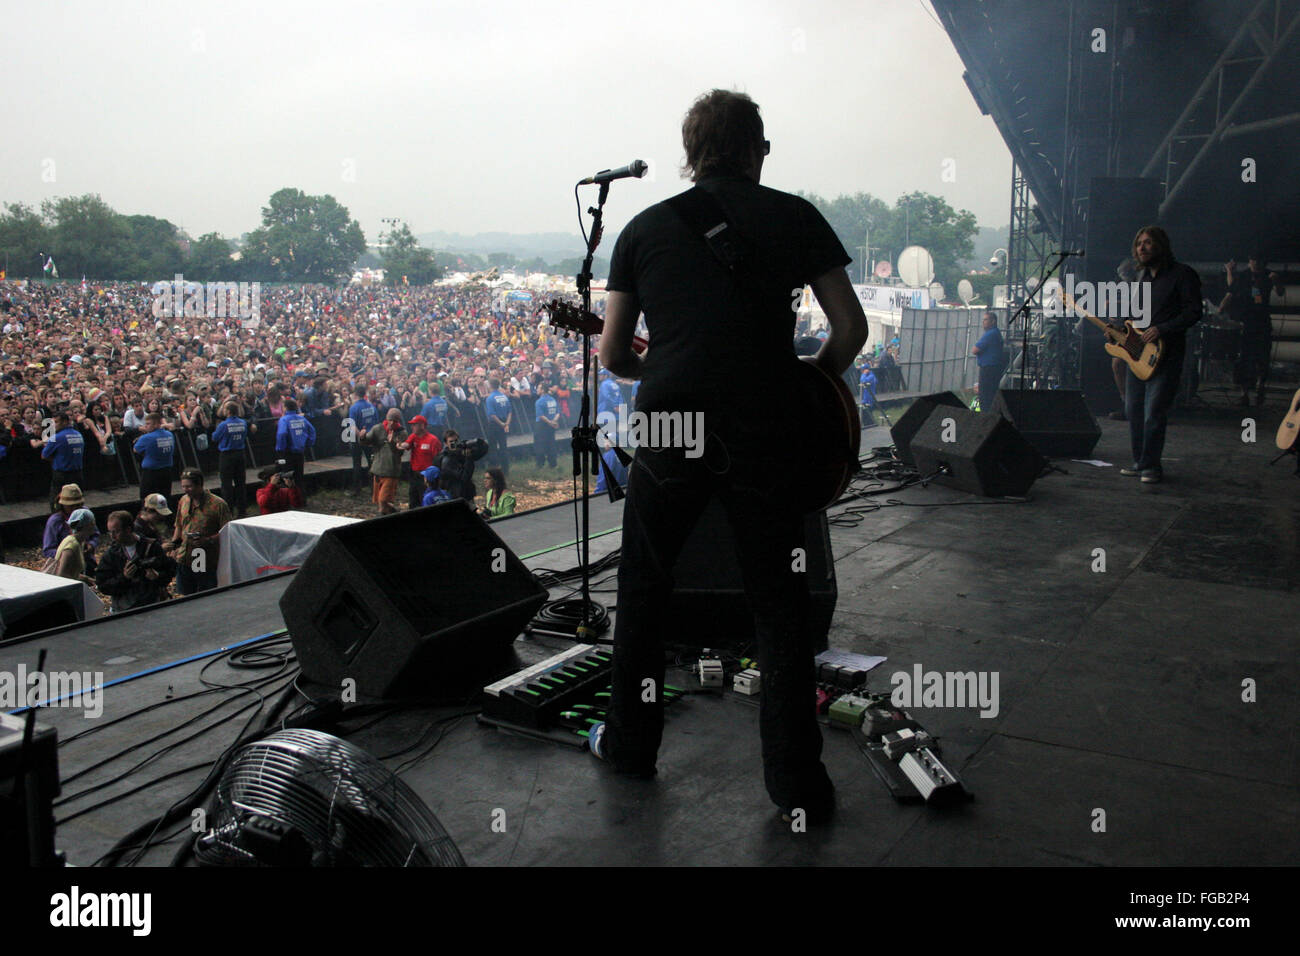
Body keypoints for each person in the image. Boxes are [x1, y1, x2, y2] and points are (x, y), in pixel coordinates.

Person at [591, 89, 867, 822]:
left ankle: (629, 749)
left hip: (670, 423)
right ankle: (797, 786)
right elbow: (850, 328)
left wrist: (676, 367)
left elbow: (616, 353)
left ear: (690, 151)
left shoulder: (643, 228)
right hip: (765, 425)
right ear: (756, 149)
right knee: (778, 605)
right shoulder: (796, 215)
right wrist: (812, 382)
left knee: (645, 588)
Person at [1119, 226, 1202, 483]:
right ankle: (1140, 462)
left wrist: (1162, 329)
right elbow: (1136, 318)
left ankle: (1152, 466)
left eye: (1147, 243)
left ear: (1161, 246)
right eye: (1138, 244)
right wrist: (1121, 332)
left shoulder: (1183, 274)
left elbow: (1194, 312)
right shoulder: (1142, 279)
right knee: (1133, 409)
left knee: (1154, 411)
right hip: (1138, 355)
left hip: (1167, 356)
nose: (1141, 248)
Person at [1225, 254, 1282, 407]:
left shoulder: (1268, 275)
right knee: (1245, 358)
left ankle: (1260, 386)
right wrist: (1230, 272)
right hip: (1248, 321)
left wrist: (1276, 281)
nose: (1255, 263)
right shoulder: (1244, 276)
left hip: (1262, 321)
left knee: (1262, 357)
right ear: (1249, 261)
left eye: (1258, 261)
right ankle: (1244, 393)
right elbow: (1232, 289)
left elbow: (1280, 292)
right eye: (1253, 260)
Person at [165, 468, 231, 595]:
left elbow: (227, 531)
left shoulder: (217, 505)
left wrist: (207, 540)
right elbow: (178, 525)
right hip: (183, 555)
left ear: (199, 484)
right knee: (184, 593)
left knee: (202, 593)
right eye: (183, 486)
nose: (186, 490)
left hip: (202, 556)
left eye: (189, 487)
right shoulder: (184, 501)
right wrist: (174, 545)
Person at [95, 510, 176, 613]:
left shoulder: (151, 547)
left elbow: (170, 571)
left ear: (128, 529)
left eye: (116, 531)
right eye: (110, 532)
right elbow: (103, 585)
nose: (112, 536)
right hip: (124, 609)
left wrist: (157, 576)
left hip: (151, 606)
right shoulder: (111, 555)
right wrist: (124, 578)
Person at [42, 484, 99, 573]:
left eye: (78, 505)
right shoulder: (55, 521)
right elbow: (48, 550)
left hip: (87, 562)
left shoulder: (85, 514)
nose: (75, 509)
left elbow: (95, 534)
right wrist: (69, 553)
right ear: (63, 505)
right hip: (66, 565)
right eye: (71, 506)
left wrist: (91, 545)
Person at [361, 407, 407, 515]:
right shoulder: (378, 429)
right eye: (390, 419)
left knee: (383, 500)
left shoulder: (402, 433)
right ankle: (393, 512)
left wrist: (392, 443)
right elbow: (367, 441)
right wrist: (362, 437)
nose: (392, 423)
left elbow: (400, 452)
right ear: (386, 418)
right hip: (378, 469)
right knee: (380, 501)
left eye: (395, 420)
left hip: (391, 471)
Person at [212, 402, 254, 517]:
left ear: (228, 411)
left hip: (227, 455)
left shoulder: (223, 425)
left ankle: (228, 511)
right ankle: (242, 511)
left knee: (226, 485)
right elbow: (245, 435)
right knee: (240, 483)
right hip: (240, 453)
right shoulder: (243, 423)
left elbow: (215, 437)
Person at [39, 412, 86, 511]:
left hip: (62, 475)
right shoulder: (78, 434)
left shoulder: (57, 437)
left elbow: (44, 455)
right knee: (77, 500)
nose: (53, 425)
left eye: (56, 422)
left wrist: (56, 459)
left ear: (64, 422)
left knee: (57, 501)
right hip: (78, 473)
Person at [433, 428, 488, 503]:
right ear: (446, 443)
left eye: (456, 441)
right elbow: (464, 477)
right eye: (451, 442)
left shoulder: (460, 451)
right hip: (456, 495)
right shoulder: (446, 460)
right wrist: (468, 458)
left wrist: (474, 446)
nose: (454, 444)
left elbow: (483, 450)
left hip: (467, 492)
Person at [400, 414, 443, 511]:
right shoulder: (413, 437)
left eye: (414, 425)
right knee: (413, 501)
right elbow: (406, 444)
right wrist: (399, 444)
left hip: (427, 478)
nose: (412, 427)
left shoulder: (433, 440)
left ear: (422, 426)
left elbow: (438, 459)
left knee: (425, 502)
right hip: (414, 475)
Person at [346, 384, 379, 496]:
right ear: (365, 393)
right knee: (372, 463)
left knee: (356, 463)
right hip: (370, 437)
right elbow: (377, 422)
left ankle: (356, 489)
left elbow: (352, 425)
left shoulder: (354, 408)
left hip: (358, 439)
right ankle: (374, 488)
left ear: (355, 394)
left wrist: (360, 435)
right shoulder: (371, 406)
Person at [971, 311, 1005, 412]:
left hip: (989, 368)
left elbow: (975, 350)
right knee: (989, 395)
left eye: (986, 320)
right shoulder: (995, 333)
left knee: (985, 395)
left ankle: (985, 415)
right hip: (993, 368)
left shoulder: (990, 334)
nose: (983, 322)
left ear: (993, 321)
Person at [54, 508, 98, 585]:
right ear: (87, 525)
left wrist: (86, 578)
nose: (94, 525)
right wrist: (81, 582)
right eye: (92, 522)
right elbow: (61, 575)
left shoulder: (79, 542)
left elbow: (71, 573)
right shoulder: (71, 546)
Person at [483, 378, 512, 474]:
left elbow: (492, 414)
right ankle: (506, 469)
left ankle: (494, 469)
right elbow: (510, 412)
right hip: (504, 422)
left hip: (495, 424)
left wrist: (501, 423)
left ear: (490, 386)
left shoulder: (490, 398)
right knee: (503, 446)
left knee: (493, 447)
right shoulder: (504, 397)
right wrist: (506, 423)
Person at [533, 381, 560, 468]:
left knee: (539, 445)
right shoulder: (553, 399)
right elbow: (558, 412)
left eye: (538, 388)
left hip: (541, 425)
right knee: (551, 443)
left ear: (542, 390)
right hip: (552, 424)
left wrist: (549, 422)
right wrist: (553, 422)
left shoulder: (539, 402)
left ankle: (540, 464)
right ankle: (553, 463)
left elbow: (540, 416)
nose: (537, 390)